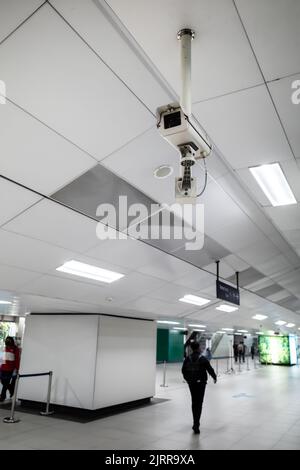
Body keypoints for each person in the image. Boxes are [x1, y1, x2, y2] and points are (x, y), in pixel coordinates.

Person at [182, 341, 217, 434]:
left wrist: (188, 379)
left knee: (194, 402)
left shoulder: (187, 358)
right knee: (199, 402)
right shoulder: (202, 358)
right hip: (201, 384)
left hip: (191, 383)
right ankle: (196, 424)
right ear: (198, 348)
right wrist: (214, 377)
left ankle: (195, 423)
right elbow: (210, 369)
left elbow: (183, 370)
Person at [0, 337, 20, 402]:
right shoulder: (4, 348)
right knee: (2, 381)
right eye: (7, 340)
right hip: (2, 368)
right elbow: (2, 358)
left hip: (10, 369)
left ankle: (2, 396)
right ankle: (11, 388)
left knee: (5, 383)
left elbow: (17, 359)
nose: (7, 341)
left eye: (9, 340)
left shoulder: (15, 349)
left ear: (12, 341)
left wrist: (17, 369)